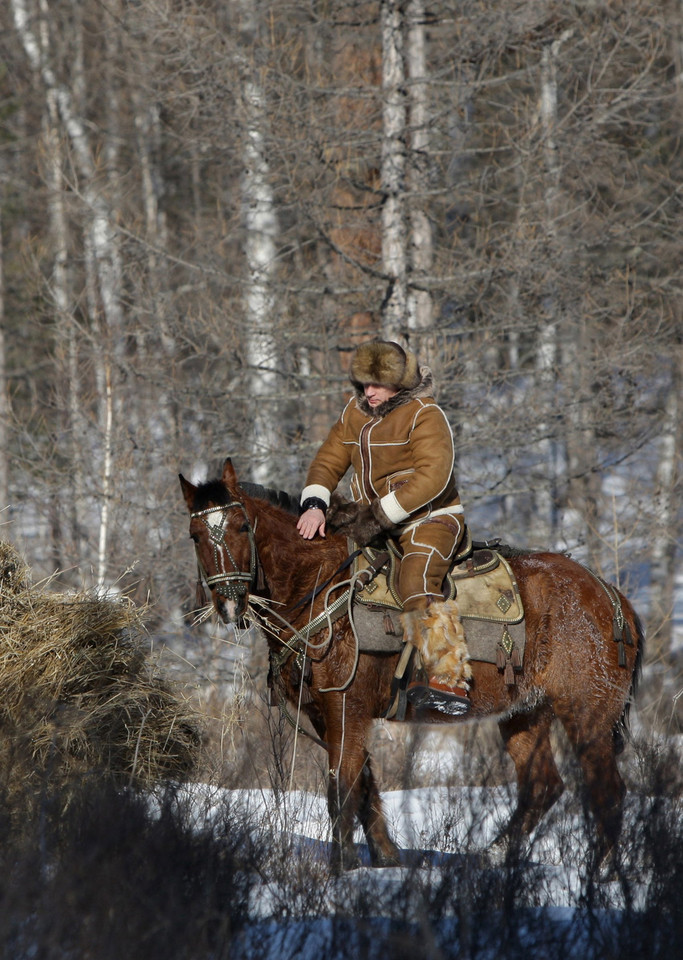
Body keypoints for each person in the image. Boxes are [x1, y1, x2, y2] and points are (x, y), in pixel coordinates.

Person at [296, 339, 471, 715]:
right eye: (363, 384)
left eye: (377, 383)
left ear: (400, 382)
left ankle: (445, 676)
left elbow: (434, 477)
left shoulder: (425, 413)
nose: (368, 392)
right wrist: (314, 505)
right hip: (371, 522)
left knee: (415, 579)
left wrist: (378, 516)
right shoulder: (353, 413)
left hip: (431, 518)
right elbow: (327, 460)